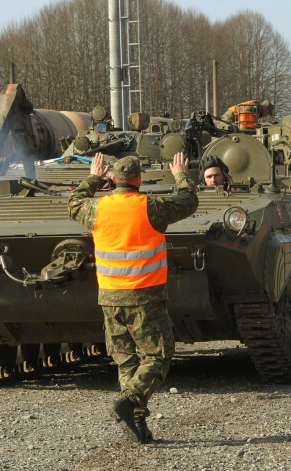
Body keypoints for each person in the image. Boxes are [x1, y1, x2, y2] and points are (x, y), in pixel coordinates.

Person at [68, 152, 198, 443]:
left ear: (114, 179)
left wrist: (93, 177)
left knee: (127, 360)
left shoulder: (97, 208)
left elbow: (73, 202)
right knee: (158, 355)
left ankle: (137, 423)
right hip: (145, 296)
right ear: (139, 179)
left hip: (110, 298)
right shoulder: (151, 207)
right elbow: (189, 201)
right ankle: (132, 399)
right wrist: (179, 174)